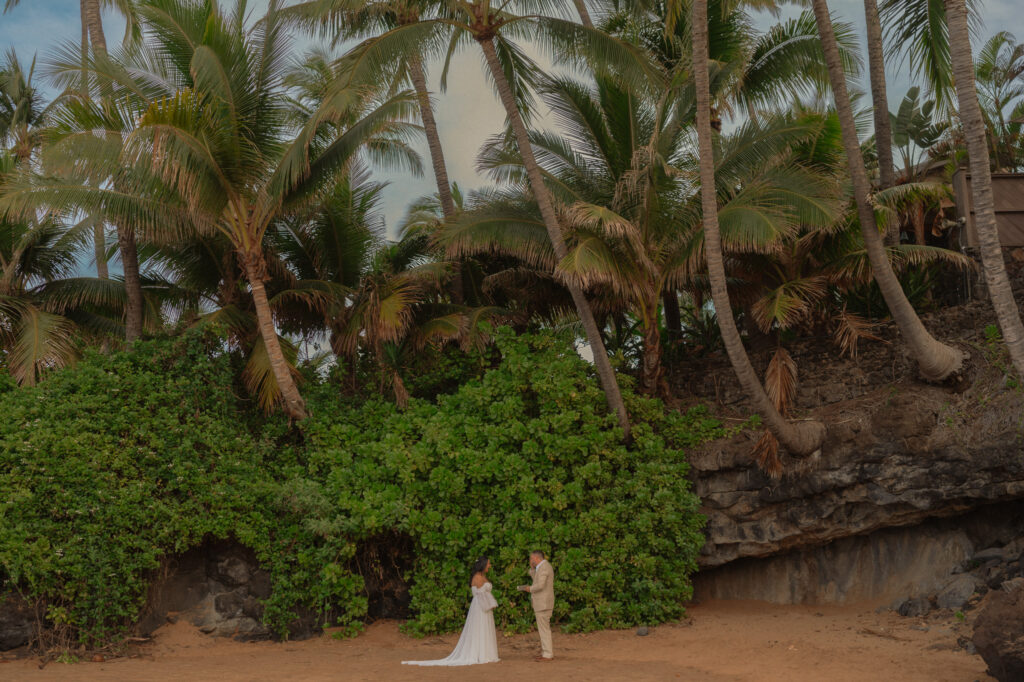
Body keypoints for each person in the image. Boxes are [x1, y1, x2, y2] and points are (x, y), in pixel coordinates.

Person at [402, 557, 499, 667]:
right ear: (483, 565)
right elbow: (482, 594)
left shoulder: (483, 576)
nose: (490, 566)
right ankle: (480, 653)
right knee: (479, 627)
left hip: (485, 605)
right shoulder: (478, 577)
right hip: (481, 606)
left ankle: (485, 653)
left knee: (484, 627)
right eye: (488, 564)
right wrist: (491, 604)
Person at [517, 550, 554, 662]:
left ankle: (547, 654)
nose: (530, 560)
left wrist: (529, 589)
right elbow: (536, 579)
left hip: (543, 603)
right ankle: (546, 652)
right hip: (542, 603)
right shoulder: (541, 568)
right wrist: (532, 568)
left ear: (536, 558)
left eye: (531, 559)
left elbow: (540, 585)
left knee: (544, 629)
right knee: (543, 629)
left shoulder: (545, 568)